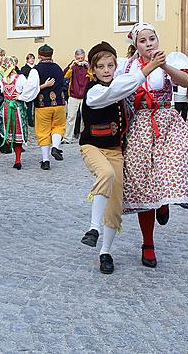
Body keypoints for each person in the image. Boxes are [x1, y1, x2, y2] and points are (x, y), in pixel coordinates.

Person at [121, 22, 188, 267]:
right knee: (142, 183)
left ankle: (165, 203)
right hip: (139, 125)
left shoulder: (169, 62)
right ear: (136, 46)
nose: (149, 44)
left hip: (165, 122)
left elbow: (186, 82)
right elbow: (121, 90)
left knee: (172, 168)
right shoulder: (127, 66)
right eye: (143, 41)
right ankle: (147, 242)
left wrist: (163, 64)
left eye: (152, 39)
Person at [79, 41, 151, 274]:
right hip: (92, 147)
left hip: (116, 150)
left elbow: (126, 89)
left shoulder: (119, 83)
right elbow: (114, 92)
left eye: (110, 65)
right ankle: (93, 228)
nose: (107, 70)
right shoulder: (94, 91)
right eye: (101, 66)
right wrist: (147, 70)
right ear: (93, 69)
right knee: (106, 174)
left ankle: (105, 252)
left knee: (115, 203)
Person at [27, 45, 66, 170]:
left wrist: (23, 96)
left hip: (43, 105)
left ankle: (45, 161)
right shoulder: (58, 68)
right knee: (58, 127)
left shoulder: (36, 70)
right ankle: (55, 146)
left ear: (39, 55)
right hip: (59, 104)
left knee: (43, 132)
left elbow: (31, 88)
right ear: (51, 55)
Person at [0, 56, 37, 170]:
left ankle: (16, 156)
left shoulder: (3, 79)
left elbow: (1, 90)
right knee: (17, 133)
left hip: (6, 107)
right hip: (16, 107)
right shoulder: (20, 78)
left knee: (10, 132)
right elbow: (28, 89)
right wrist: (21, 96)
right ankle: (17, 159)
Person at [63, 49, 89, 143]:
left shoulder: (88, 65)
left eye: (82, 58)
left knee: (84, 117)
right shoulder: (73, 66)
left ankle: (84, 137)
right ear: (75, 57)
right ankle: (67, 138)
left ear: (84, 56)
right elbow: (65, 75)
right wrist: (71, 66)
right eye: (78, 58)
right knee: (70, 117)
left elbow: (94, 76)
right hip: (74, 95)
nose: (80, 60)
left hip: (85, 96)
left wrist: (88, 67)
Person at [21, 53, 36, 127]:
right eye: (30, 58)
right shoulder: (24, 68)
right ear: (27, 60)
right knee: (29, 107)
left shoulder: (36, 67)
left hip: (36, 89)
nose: (32, 59)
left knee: (36, 106)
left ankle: (36, 120)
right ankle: (30, 121)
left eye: (33, 58)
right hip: (28, 90)